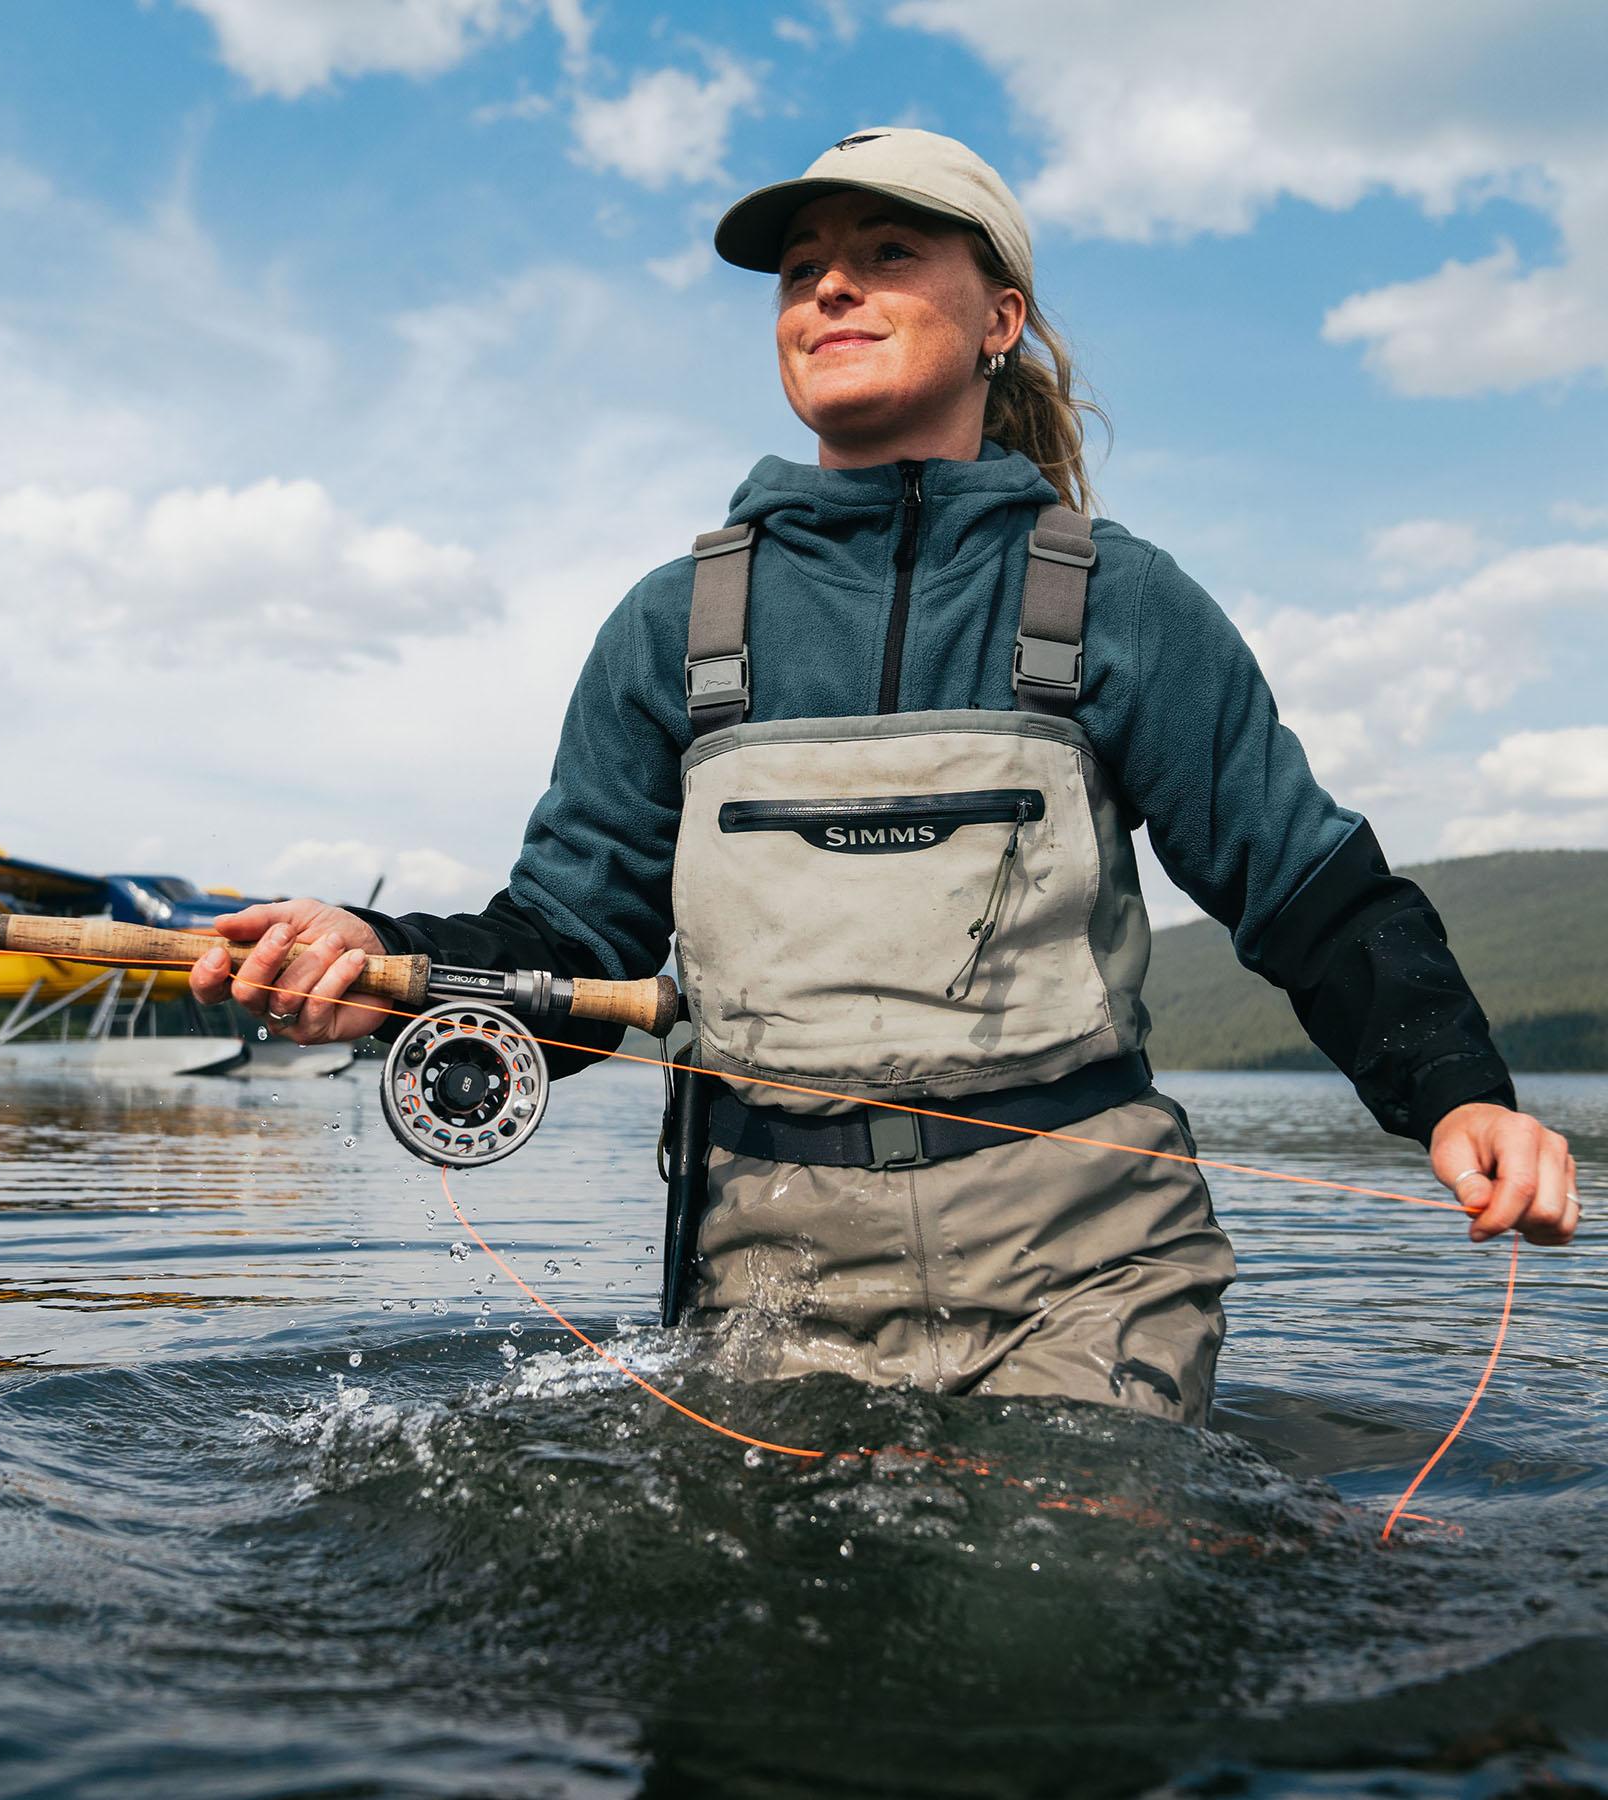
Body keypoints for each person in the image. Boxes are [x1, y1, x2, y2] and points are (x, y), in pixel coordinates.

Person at [190, 127, 1579, 1425]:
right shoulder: (671, 627)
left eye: (888, 254)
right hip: (764, 1274)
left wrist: (1458, 1091)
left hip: (1088, 1265)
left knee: (1043, 1624)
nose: (832, 287)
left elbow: (1308, 889)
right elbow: (568, 954)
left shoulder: (1123, 601)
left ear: (1000, 319)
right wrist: (379, 970)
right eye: (802, 273)